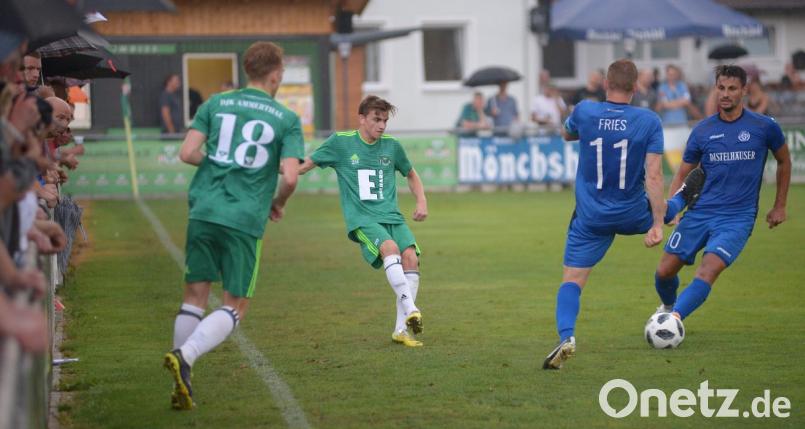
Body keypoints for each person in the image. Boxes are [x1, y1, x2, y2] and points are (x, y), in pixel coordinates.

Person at [163, 41, 304, 410]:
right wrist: (278, 202)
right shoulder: (286, 119)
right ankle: (186, 356)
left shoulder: (215, 103)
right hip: (243, 218)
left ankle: (181, 378)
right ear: (276, 73)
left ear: (246, 70)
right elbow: (290, 177)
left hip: (203, 209)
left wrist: (221, 164)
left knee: (193, 297)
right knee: (235, 306)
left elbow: (187, 152)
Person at [542, 59, 702, 370]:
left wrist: (591, 131)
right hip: (632, 213)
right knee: (667, 208)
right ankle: (683, 199)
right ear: (636, 87)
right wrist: (657, 224)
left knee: (572, 281)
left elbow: (566, 134)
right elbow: (654, 176)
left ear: (605, 84)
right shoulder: (648, 120)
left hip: (591, 216)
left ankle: (567, 337)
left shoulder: (585, 111)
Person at [651, 65, 790, 325]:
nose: (725, 94)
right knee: (663, 273)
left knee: (708, 269)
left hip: (737, 218)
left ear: (744, 90)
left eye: (732, 88)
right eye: (721, 88)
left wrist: (779, 205)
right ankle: (669, 306)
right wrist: (674, 209)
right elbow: (683, 173)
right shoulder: (702, 131)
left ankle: (673, 321)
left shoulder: (764, 127)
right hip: (700, 212)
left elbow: (784, 161)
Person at [299, 95, 427, 347]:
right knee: (390, 250)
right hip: (363, 218)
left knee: (411, 257)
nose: (381, 125)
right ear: (362, 118)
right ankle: (412, 308)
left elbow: (411, 174)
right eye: (376, 119)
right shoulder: (341, 143)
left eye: (384, 121)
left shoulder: (392, 146)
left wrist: (421, 201)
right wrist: (276, 166)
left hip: (392, 216)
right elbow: (305, 165)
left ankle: (401, 330)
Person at [656, 64, 692, 172]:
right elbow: (664, 104)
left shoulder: (682, 86)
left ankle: (682, 175)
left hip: (682, 123)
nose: (671, 76)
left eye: (673, 74)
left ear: (677, 74)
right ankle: (671, 176)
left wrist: (670, 103)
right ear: (666, 74)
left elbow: (687, 101)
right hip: (668, 125)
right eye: (669, 74)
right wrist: (679, 102)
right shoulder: (662, 87)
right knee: (669, 151)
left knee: (683, 150)